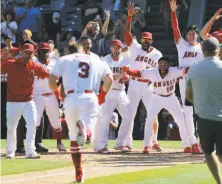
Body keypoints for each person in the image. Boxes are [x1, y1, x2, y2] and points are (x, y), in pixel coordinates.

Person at [49, 49, 113, 183]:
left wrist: (57, 93)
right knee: (89, 136)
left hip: (71, 98)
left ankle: (78, 172)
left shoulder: (64, 59)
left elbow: (52, 80)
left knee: (74, 138)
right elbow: (109, 79)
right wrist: (102, 95)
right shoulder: (98, 61)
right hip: (90, 96)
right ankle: (86, 131)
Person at [122, 57, 194, 153]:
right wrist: (129, 71)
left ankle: (187, 145)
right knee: (149, 120)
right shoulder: (152, 72)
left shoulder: (174, 70)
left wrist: (198, 66)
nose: (163, 66)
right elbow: (139, 73)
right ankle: (147, 145)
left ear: (168, 66)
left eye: (165, 64)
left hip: (171, 97)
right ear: (158, 65)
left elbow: (187, 70)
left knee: (181, 119)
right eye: (161, 64)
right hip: (156, 97)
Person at [120, 1, 163, 152]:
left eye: (147, 40)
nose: (145, 41)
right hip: (134, 84)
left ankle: (153, 141)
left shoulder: (157, 54)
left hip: (149, 85)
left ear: (151, 41)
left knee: (152, 114)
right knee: (130, 114)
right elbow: (127, 34)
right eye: (143, 39)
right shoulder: (135, 47)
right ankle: (127, 142)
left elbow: (159, 72)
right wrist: (129, 18)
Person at [1, 43, 49, 159]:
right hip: (13, 101)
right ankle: (10, 151)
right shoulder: (9, 63)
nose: (28, 54)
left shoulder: (34, 65)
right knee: (12, 127)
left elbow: (48, 75)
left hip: (29, 100)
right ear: (21, 51)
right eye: (26, 52)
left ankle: (30, 151)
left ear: (33, 54)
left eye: (30, 53)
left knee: (32, 124)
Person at [186, 37, 222, 184]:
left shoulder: (194, 68)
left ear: (202, 50)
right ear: (218, 50)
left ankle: (219, 182)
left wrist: (199, 103)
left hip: (204, 117)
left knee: (208, 152)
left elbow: (188, 95)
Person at [170, 0, 202, 153]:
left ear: (197, 36)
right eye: (189, 33)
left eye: (193, 34)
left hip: (200, 83)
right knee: (188, 113)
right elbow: (175, 29)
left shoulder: (202, 47)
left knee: (202, 113)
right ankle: (193, 142)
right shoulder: (181, 45)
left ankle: (202, 141)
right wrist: (173, 12)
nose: (191, 35)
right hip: (185, 83)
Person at [94, 39, 131, 153]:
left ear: (121, 49)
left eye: (118, 47)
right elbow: (105, 77)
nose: (116, 49)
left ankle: (120, 143)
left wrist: (126, 77)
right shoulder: (105, 60)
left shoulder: (125, 59)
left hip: (121, 91)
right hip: (108, 91)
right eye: (114, 47)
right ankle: (101, 145)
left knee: (128, 116)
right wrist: (118, 76)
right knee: (105, 119)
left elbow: (128, 75)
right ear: (110, 48)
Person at [33, 42, 66, 152]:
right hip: (37, 95)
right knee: (35, 121)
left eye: (46, 51)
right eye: (42, 51)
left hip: (51, 94)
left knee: (56, 122)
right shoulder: (33, 62)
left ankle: (59, 143)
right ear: (37, 52)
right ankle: (32, 145)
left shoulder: (55, 62)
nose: (45, 53)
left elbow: (61, 79)